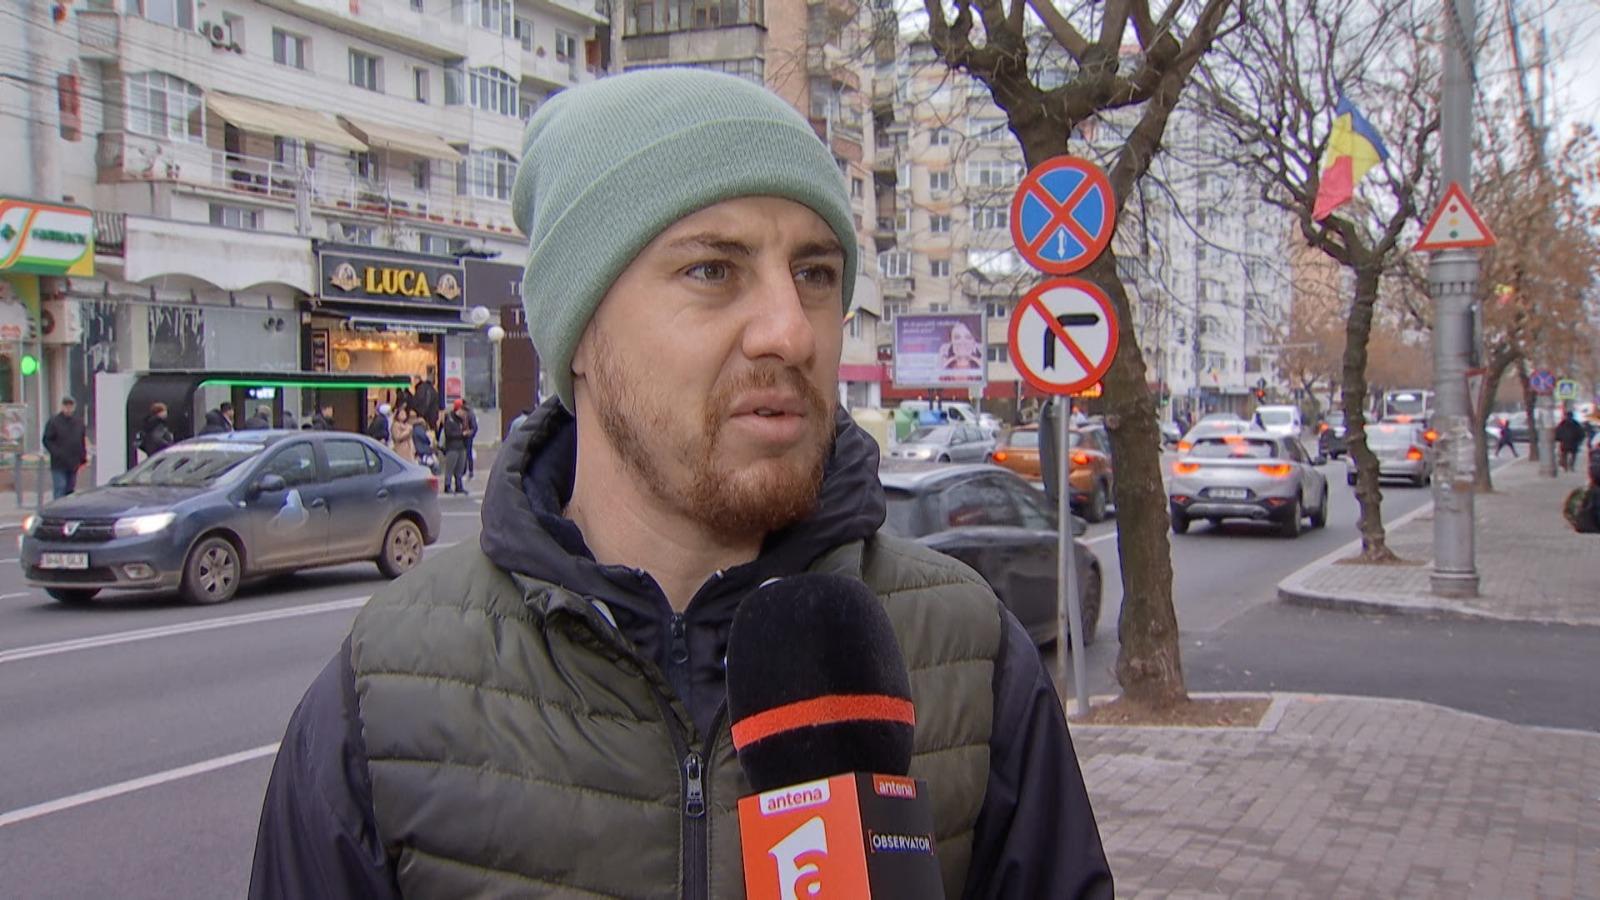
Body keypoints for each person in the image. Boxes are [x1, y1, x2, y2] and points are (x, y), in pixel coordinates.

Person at [249, 70, 1112, 900]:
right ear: (581, 334)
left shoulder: (970, 655)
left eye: (815, 273)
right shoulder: (386, 696)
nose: (791, 332)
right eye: (713, 270)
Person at [42, 397, 87, 499]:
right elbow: (47, 440)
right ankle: (58, 507)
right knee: (60, 487)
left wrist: (82, 457)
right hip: (59, 463)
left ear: (74, 407)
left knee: (70, 489)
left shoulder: (78, 422)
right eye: (66, 406)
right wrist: (56, 453)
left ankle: (68, 507)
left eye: (70, 406)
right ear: (62, 407)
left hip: (73, 462)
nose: (68, 409)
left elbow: (81, 441)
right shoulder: (54, 422)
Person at [438, 400, 469, 494]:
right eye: (464, 413)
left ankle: (459, 486)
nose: (464, 415)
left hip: (461, 447)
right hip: (452, 447)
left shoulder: (462, 420)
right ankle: (447, 485)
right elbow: (449, 434)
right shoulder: (450, 419)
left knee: (460, 468)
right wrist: (461, 434)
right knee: (450, 468)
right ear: (459, 410)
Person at [461, 399, 480, 479]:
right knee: (467, 454)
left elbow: (474, 427)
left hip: (466, 436)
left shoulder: (468, 413)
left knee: (466, 453)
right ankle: (468, 471)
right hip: (466, 436)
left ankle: (466, 471)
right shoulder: (470, 413)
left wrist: (469, 433)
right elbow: (475, 427)